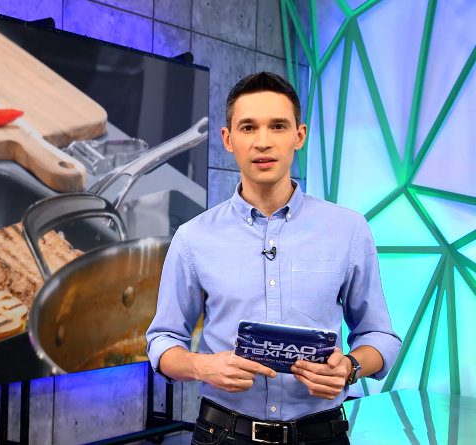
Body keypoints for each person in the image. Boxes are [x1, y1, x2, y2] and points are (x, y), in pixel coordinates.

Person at [145, 72, 402, 445]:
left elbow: (380, 335)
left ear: (299, 135)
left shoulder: (348, 229)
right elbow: (163, 340)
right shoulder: (192, 237)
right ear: (228, 139)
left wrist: (349, 367)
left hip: (321, 434)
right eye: (248, 127)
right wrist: (203, 366)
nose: (262, 141)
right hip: (223, 434)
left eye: (278, 126)